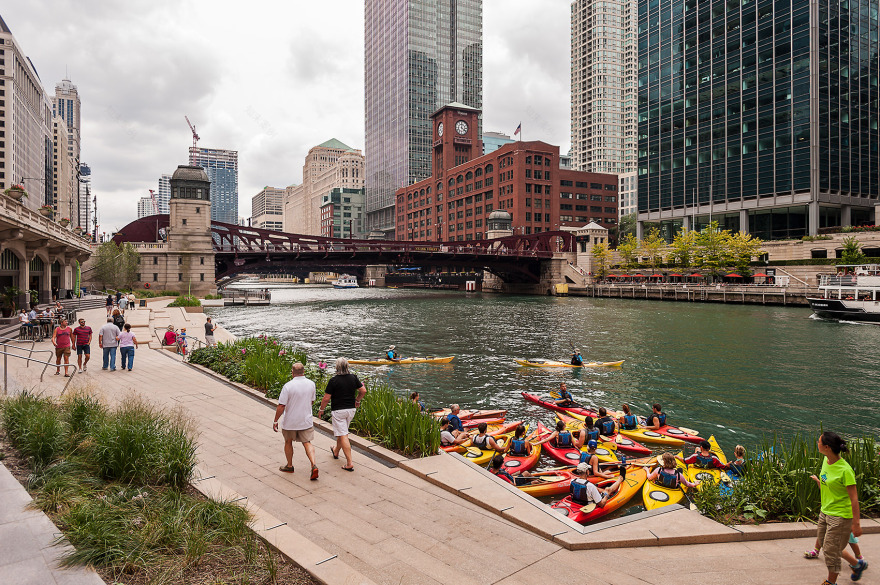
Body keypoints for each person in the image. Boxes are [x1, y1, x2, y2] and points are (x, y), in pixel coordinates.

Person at [807, 431, 867, 583]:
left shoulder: (845, 470)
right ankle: (857, 564)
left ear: (826, 447)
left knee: (830, 551)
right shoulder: (826, 461)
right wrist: (820, 483)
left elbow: (854, 499)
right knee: (826, 544)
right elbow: (830, 486)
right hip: (825, 511)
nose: (817, 444)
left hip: (840, 515)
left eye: (818, 442)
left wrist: (856, 524)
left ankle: (830, 581)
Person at [317, 357, 366, 472]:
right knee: (342, 432)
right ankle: (336, 451)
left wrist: (321, 410)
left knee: (343, 435)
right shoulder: (353, 378)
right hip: (351, 410)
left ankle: (349, 463)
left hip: (339, 410)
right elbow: (363, 390)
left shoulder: (334, 380)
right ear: (347, 366)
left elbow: (326, 398)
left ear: (337, 367)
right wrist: (357, 400)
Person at [272, 362, 319, 480]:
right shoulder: (311, 384)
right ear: (304, 372)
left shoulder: (288, 386)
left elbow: (281, 405)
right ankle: (313, 464)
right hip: (305, 420)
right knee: (307, 442)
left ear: (292, 373)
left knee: (288, 442)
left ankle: (289, 466)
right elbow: (312, 401)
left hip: (290, 421)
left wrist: (275, 420)